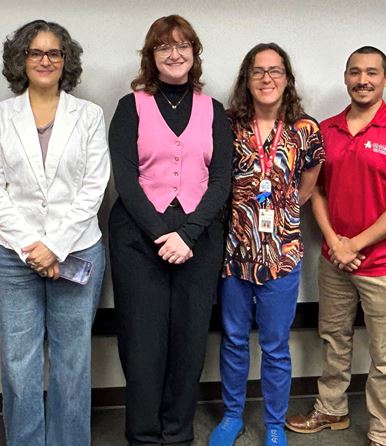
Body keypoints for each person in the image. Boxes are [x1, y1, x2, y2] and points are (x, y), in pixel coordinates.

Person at [284, 46, 386, 446]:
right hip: (335, 262)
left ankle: (382, 433)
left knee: (385, 356)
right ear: (345, 77)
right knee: (334, 339)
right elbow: (315, 192)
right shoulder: (325, 130)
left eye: (371, 72)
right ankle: (332, 411)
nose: (362, 80)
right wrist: (334, 242)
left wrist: (355, 245)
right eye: (354, 72)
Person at [0, 19, 110, 446]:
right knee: (19, 361)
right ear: (21, 59)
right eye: (36, 52)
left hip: (77, 249)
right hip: (12, 255)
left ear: (66, 61)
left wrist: (55, 247)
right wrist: (32, 247)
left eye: (55, 52)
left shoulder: (89, 115)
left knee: (73, 359)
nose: (45, 60)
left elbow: (94, 186)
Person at [108, 14, 232, 446]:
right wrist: (163, 233)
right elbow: (124, 177)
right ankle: (143, 435)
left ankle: (178, 434)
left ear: (194, 53)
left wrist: (188, 233)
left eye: (183, 46)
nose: (175, 54)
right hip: (138, 238)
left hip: (198, 239)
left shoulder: (213, 109)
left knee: (189, 339)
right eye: (164, 47)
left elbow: (221, 181)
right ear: (152, 56)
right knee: (142, 342)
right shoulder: (131, 106)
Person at [208, 43, 324, 446]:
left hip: (283, 253)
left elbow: (307, 183)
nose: (267, 79)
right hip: (234, 253)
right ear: (247, 79)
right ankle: (233, 415)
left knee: (275, 345)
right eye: (258, 71)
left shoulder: (305, 129)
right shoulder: (226, 125)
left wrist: (281, 212)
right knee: (234, 338)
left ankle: (274, 422)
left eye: (275, 71)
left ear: (287, 78)